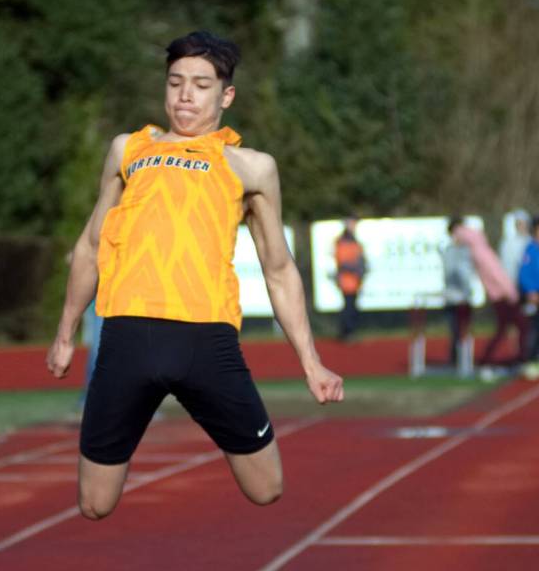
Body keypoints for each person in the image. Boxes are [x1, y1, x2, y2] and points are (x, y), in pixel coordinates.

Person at [47, 30, 343, 521]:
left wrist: (311, 362)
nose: (185, 95)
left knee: (267, 487)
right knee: (95, 503)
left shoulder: (251, 168)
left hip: (206, 343)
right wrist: (64, 333)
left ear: (226, 95)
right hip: (127, 338)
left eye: (201, 85)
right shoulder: (127, 151)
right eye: (176, 82)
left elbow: (278, 268)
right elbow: (91, 245)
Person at [454, 223, 523, 368]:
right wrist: (510, 292)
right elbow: (496, 274)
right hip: (502, 295)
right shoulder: (481, 252)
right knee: (520, 326)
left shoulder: (475, 252)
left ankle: (490, 358)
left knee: (506, 328)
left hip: (498, 294)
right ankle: (517, 357)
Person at [518, 215, 539, 373]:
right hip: (534, 295)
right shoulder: (530, 249)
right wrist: (531, 291)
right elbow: (524, 273)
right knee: (535, 328)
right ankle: (531, 360)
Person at [441, 218, 475, 366]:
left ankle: (466, 359)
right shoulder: (448, 250)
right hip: (452, 297)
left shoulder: (467, 250)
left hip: (465, 297)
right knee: (454, 330)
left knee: (466, 329)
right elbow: (449, 272)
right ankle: (455, 359)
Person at [333, 216, 366, 341]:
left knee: (352, 307)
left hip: (355, 281)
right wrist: (356, 268)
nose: (354, 227)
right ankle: (346, 332)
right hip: (346, 281)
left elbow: (361, 258)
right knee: (348, 307)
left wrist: (362, 268)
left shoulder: (355, 241)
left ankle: (349, 331)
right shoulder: (342, 242)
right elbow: (342, 262)